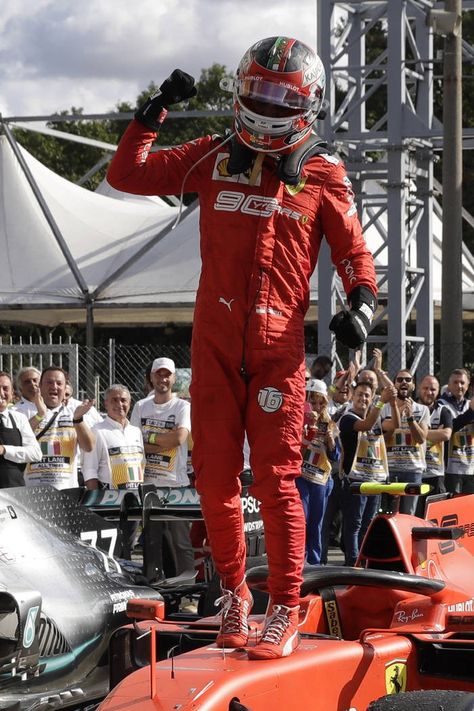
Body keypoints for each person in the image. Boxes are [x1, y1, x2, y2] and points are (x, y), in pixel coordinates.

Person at [107, 36, 377, 659]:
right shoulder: (211, 155)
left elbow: (355, 252)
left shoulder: (322, 170)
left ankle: (286, 605)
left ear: (306, 102)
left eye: (282, 95)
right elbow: (127, 174)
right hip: (214, 341)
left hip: (279, 346)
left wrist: (361, 304)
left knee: (280, 480)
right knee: (214, 480)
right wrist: (153, 112)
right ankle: (234, 594)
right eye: (259, 89)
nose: (266, 102)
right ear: (239, 90)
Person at [130, 357, 194, 580]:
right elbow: (134, 443)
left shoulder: (182, 406)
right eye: (158, 374)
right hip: (148, 485)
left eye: (167, 375)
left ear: (174, 378)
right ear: (151, 377)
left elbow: (179, 438)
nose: (163, 379)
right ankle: (155, 588)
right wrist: (161, 442)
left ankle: (187, 591)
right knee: (151, 543)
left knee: (180, 543)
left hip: (176, 485)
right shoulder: (140, 406)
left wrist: (151, 438)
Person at [339, 381, 398, 565]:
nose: (363, 398)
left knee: (368, 524)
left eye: (367, 395)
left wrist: (394, 402)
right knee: (354, 524)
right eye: (359, 394)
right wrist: (382, 401)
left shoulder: (377, 417)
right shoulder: (348, 418)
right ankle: (353, 563)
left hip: (375, 480)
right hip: (356, 479)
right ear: (352, 397)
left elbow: (395, 424)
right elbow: (366, 424)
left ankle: (364, 562)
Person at [82, 384, 145, 558]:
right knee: (110, 551)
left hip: (134, 500)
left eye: (123, 400)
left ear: (130, 402)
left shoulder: (135, 432)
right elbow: (90, 469)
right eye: (114, 400)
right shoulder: (98, 430)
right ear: (106, 404)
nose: (119, 404)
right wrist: (97, 503)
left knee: (128, 548)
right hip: (109, 502)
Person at [24, 366, 99, 489]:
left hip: (66, 490)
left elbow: (89, 446)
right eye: (49, 382)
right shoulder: (24, 412)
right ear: (40, 387)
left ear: (65, 390)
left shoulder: (74, 413)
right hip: (32, 490)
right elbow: (18, 441)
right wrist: (40, 415)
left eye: (59, 383)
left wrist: (78, 420)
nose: (54, 386)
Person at [297, 378, 338, 565]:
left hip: (321, 478)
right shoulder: (298, 419)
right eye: (313, 401)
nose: (317, 406)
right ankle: (301, 561)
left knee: (316, 523)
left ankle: (315, 563)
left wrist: (330, 440)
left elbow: (335, 457)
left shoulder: (329, 422)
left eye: (321, 402)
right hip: (301, 476)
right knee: (301, 519)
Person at [381, 369, 429, 514]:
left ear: (413, 385)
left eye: (408, 380)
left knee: (408, 514)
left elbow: (421, 439)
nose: (404, 382)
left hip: (413, 470)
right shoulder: (384, 409)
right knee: (389, 514)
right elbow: (382, 439)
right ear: (394, 385)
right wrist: (397, 417)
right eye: (400, 379)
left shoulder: (422, 409)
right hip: (390, 468)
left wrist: (410, 419)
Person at [416, 375, 452, 512]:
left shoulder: (443, 411)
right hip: (415, 470)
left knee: (436, 514)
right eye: (425, 388)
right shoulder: (411, 408)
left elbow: (446, 435)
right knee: (414, 515)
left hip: (435, 472)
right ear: (419, 387)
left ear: (438, 391)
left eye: (433, 389)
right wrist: (434, 433)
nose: (429, 392)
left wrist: (418, 433)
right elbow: (405, 433)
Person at [0, 372, 42, 487]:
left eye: (5, 388)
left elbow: (35, 454)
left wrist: (5, 450)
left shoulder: (19, 418)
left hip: (14, 493)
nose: (1, 393)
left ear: (12, 393)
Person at [438, 368, 474, 493]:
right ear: (449, 384)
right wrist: (470, 413)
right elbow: (449, 428)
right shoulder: (441, 406)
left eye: (462, 383)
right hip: (451, 468)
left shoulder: (470, 403)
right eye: (455, 382)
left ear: (468, 385)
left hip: (471, 465)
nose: (459, 386)